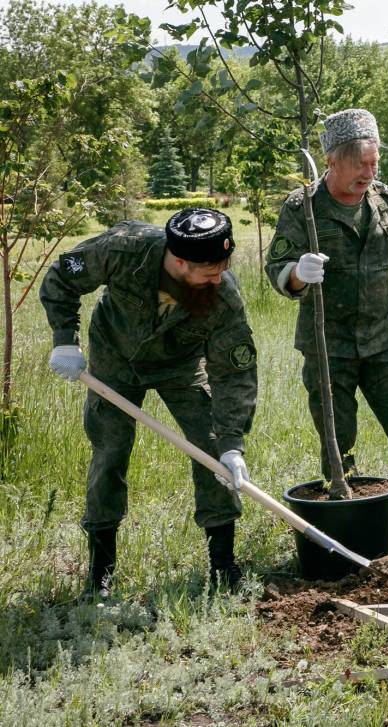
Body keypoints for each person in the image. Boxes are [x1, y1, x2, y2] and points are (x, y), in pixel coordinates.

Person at [265, 108, 388, 543]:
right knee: (339, 435)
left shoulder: (385, 200)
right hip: (328, 345)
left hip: (382, 342)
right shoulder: (304, 208)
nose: (369, 173)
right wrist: (297, 274)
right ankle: (349, 514)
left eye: (375, 163)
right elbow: (276, 267)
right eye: (361, 164)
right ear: (333, 161)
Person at [40, 208, 258, 597]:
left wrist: (232, 444)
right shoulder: (124, 250)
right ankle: (100, 574)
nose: (219, 277)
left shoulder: (224, 296)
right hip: (114, 359)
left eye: (224, 265)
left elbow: (233, 373)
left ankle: (223, 565)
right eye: (209, 270)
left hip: (180, 365)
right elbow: (61, 276)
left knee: (211, 450)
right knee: (110, 453)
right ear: (178, 261)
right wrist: (64, 340)